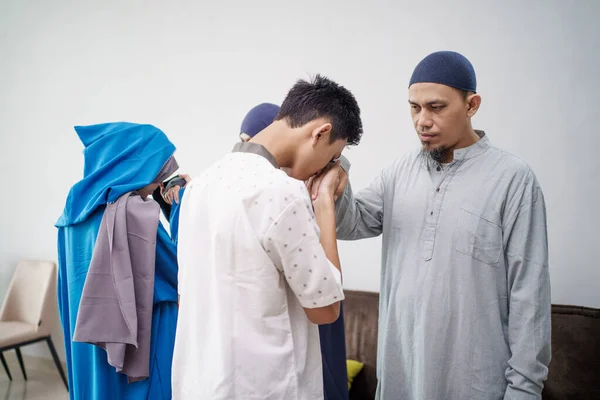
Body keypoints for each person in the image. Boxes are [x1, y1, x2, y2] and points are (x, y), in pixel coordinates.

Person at [309, 51, 551, 399]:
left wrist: (524, 392)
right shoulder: (400, 171)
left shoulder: (513, 180)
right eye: (414, 107)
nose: (422, 120)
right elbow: (353, 223)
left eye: (436, 107)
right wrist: (336, 167)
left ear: (472, 105)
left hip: (476, 385)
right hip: (400, 382)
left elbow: (529, 298)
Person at [172, 74, 363, 399]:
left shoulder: (200, 187)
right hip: (265, 387)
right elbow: (326, 309)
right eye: (333, 157)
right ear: (321, 132)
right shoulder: (281, 193)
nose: (325, 168)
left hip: (199, 382)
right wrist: (325, 204)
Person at [56, 122, 180, 400]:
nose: (161, 181)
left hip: (85, 337)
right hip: (142, 339)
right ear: (136, 165)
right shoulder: (133, 210)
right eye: (160, 169)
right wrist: (176, 207)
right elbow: (178, 273)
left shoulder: (74, 208)